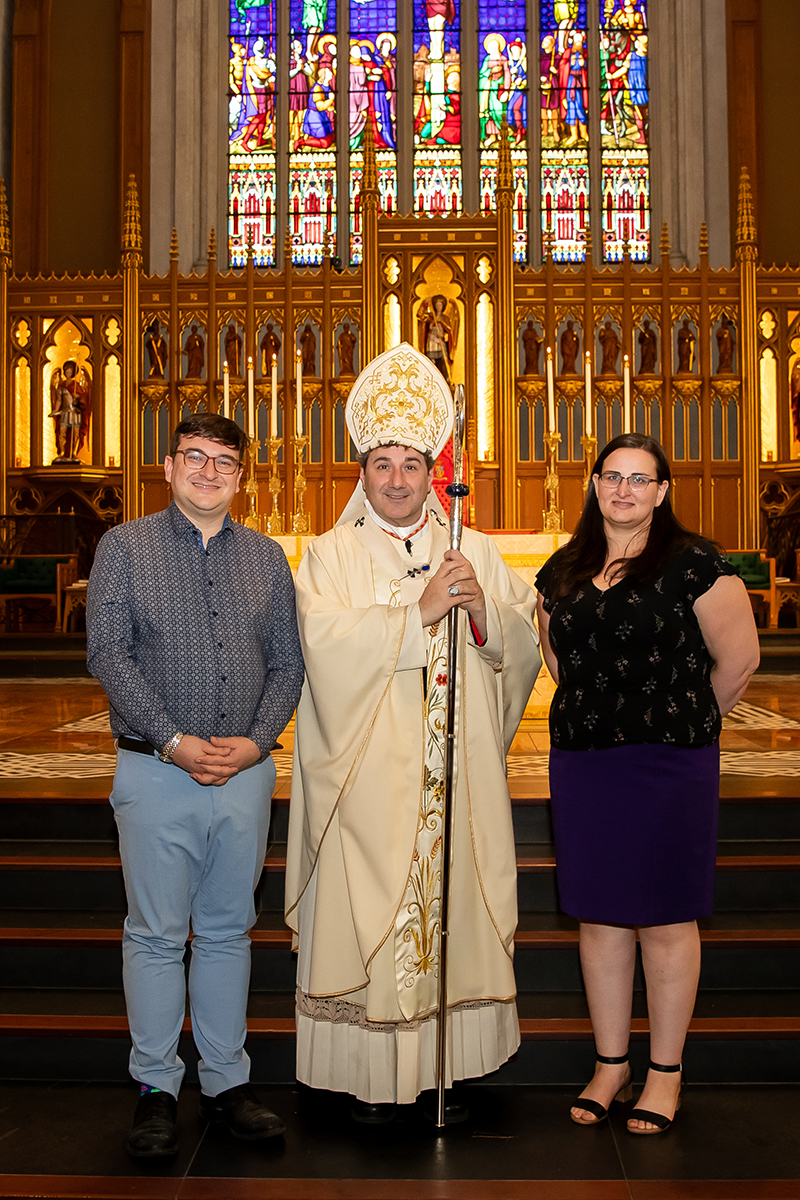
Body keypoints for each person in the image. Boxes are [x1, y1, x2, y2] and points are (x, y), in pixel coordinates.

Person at [285, 342, 541, 1125]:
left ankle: (443, 1072)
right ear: (359, 470)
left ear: (435, 469)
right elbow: (320, 647)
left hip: (452, 782)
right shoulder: (327, 556)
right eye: (381, 463)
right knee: (375, 912)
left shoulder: (474, 549)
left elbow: (521, 647)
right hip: (364, 789)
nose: (397, 480)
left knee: (450, 911)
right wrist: (417, 613)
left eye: (410, 464)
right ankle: (368, 1079)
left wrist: (481, 616)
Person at [87, 412, 304, 1158]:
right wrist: (175, 742)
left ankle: (224, 1083)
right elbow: (108, 653)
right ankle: (154, 1088)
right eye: (196, 458)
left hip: (243, 775)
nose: (209, 472)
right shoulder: (124, 547)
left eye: (225, 462)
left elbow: (288, 663)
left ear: (243, 476)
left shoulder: (268, 558)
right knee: (153, 935)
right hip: (155, 773)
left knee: (224, 932)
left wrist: (253, 742)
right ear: (171, 466)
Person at [535, 433, 759, 1136]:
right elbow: (556, 655)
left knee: (665, 919)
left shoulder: (694, 564)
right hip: (587, 763)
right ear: (594, 484)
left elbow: (740, 659)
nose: (624, 490)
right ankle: (611, 1064)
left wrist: (679, 722)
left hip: (668, 765)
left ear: (662, 491)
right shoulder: (565, 567)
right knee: (599, 917)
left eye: (640, 479)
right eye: (612, 476)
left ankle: (665, 1071)